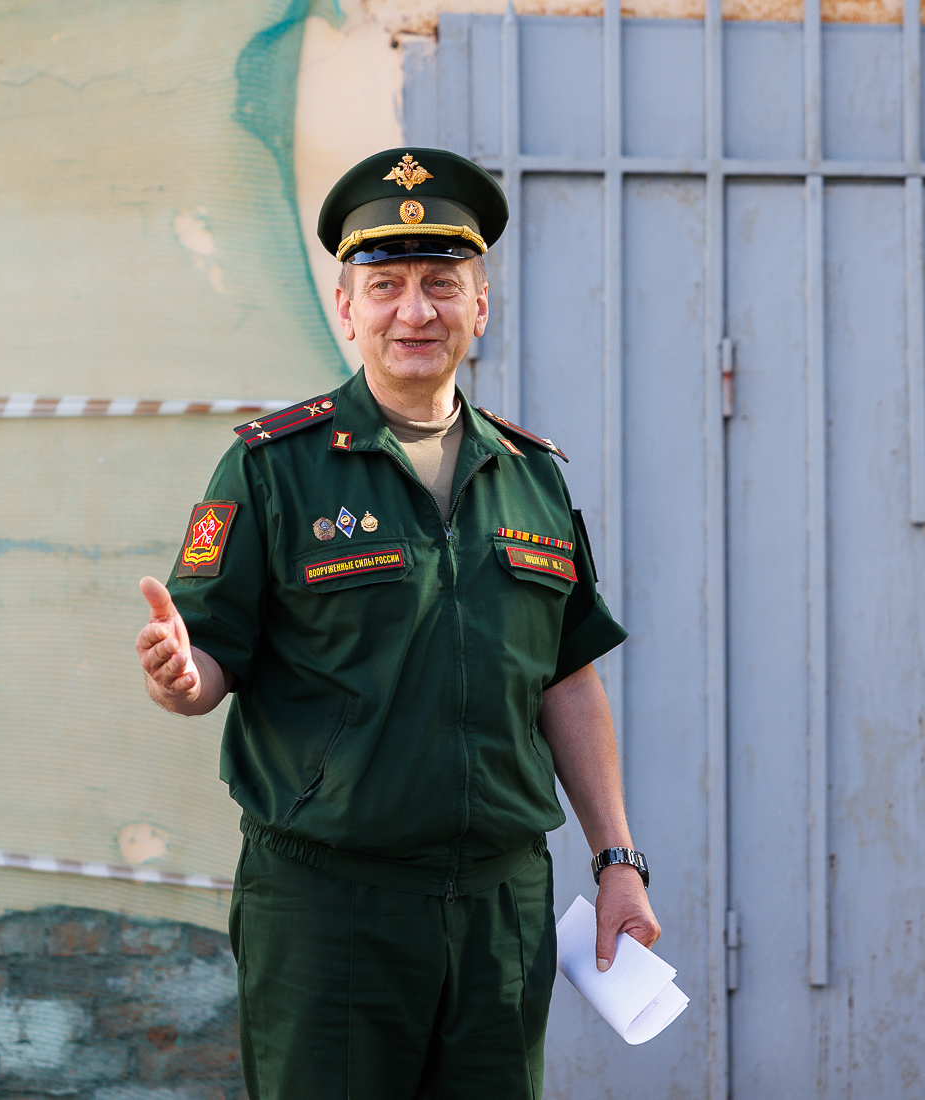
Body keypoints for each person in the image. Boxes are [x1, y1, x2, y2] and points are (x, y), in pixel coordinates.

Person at [135, 147, 659, 1099]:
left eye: (441, 284)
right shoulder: (273, 468)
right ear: (348, 309)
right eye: (385, 286)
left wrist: (616, 859)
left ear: (480, 306)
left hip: (501, 909)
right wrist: (182, 675)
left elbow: (568, 679)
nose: (415, 311)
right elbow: (207, 655)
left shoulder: (531, 477)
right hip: (330, 908)